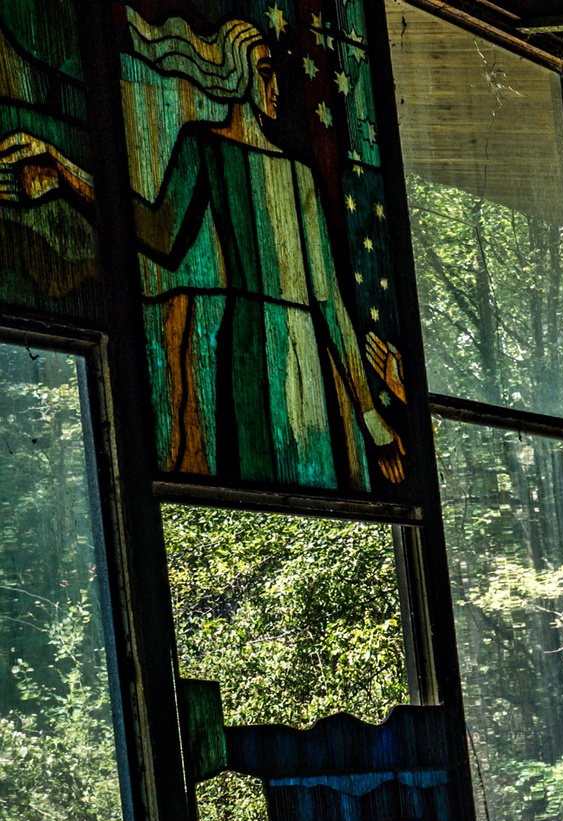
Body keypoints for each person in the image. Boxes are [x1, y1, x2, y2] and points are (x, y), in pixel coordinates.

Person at [0, 10, 405, 489]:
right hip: (230, 347)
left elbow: (333, 305)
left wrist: (373, 419)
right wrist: (67, 176)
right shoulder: (200, 147)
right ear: (236, 74)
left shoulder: (300, 177)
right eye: (265, 73)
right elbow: (158, 236)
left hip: (302, 362)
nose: (275, 89)